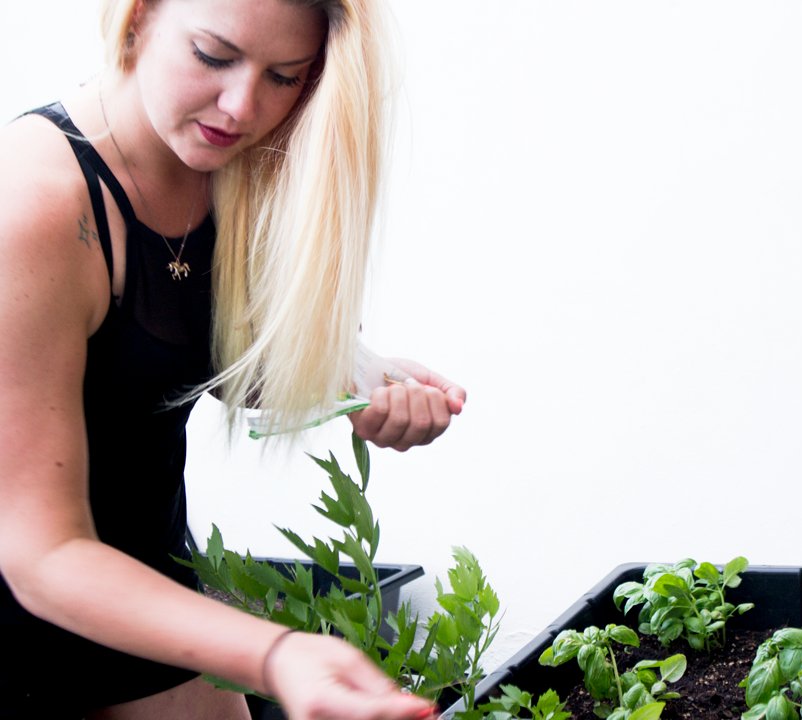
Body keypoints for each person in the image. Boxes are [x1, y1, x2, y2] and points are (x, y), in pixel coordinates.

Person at [0, 0, 465, 718]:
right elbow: (42, 555)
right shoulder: (35, 206)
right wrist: (276, 653)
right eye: (212, 57)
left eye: (284, 76)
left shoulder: (229, 163)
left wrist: (358, 380)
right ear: (137, 19)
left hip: (142, 576)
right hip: (39, 584)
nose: (242, 105)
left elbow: (207, 356)